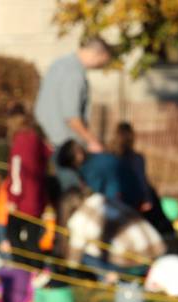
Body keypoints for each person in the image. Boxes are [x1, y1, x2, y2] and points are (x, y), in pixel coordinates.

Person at [34, 36, 112, 191]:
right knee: (73, 192)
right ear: (98, 54)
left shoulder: (59, 64)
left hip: (50, 138)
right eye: (101, 63)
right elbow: (72, 117)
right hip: (65, 146)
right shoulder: (74, 74)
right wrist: (92, 141)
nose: (99, 67)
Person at [60, 187, 166, 280]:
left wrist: (67, 271)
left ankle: (107, 278)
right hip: (156, 252)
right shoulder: (101, 199)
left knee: (85, 254)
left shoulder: (78, 220)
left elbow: (74, 257)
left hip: (130, 264)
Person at [4, 104, 52, 268]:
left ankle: (25, 269)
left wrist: (13, 198)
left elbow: (18, 169)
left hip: (23, 199)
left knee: (13, 234)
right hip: (37, 196)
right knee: (32, 238)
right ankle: (35, 271)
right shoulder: (35, 136)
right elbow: (47, 154)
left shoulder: (22, 139)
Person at [110, 122, 175, 237]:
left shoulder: (110, 157)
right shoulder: (136, 158)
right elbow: (141, 179)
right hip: (132, 199)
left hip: (117, 199)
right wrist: (147, 199)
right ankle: (165, 234)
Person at [56, 139, 145, 211]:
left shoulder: (91, 170)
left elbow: (97, 198)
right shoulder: (96, 159)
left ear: (77, 158)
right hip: (132, 196)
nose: (73, 170)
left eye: (71, 166)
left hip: (124, 203)